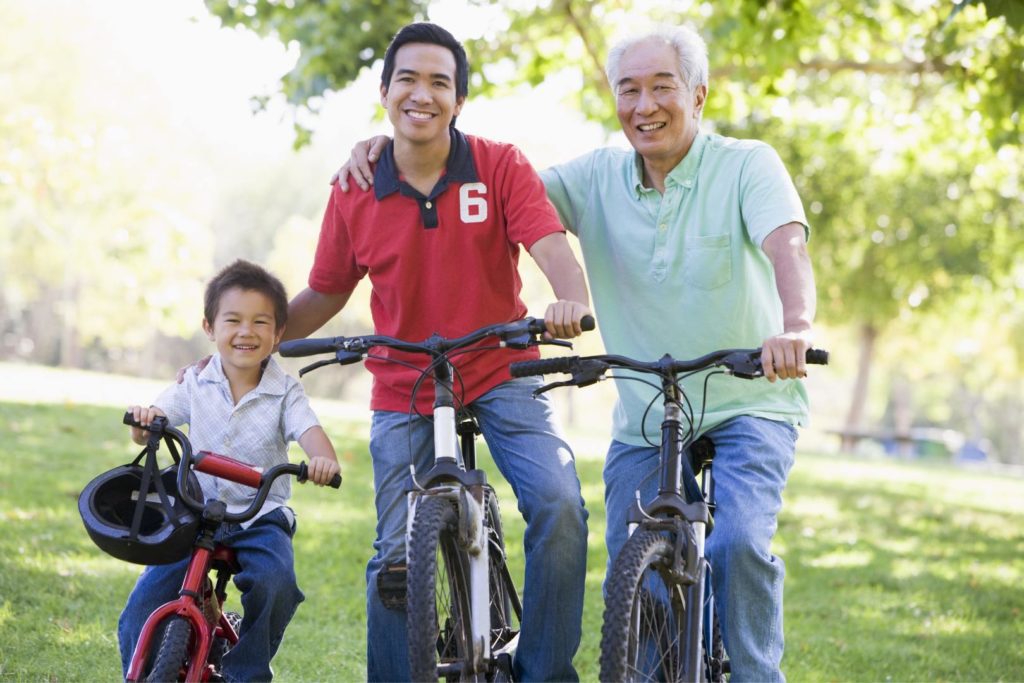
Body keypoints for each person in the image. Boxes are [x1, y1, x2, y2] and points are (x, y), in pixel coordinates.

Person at [337, 24, 816, 682]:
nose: (644, 104)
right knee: (634, 561)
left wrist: (796, 326)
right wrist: (395, 147)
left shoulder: (748, 164)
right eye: (629, 90)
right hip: (649, 403)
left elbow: (786, 245)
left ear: (699, 96)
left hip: (749, 395)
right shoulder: (594, 177)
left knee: (736, 543)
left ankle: (758, 675)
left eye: (662, 87)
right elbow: (479, 187)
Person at [286, 22, 592, 682]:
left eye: (439, 83)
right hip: (404, 383)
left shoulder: (498, 164)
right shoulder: (354, 186)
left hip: (501, 366)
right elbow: (326, 289)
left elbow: (549, 245)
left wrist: (570, 298)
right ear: (384, 91)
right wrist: (257, 334)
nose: (421, 93)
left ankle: (542, 669)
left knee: (560, 504)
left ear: (458, 100)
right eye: (408, 79)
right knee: (393, 550)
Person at [119, 259, 341, 682]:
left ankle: (248, 669)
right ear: (210, 327)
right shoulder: (195, 382)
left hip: (258, 516)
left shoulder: (285, 391)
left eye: (261, 322)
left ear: (278, 334)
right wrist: (147, 421)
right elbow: (154, 424)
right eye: (233, 320)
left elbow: (310, 431)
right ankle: (140, 672)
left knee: (276, 582)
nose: (246, 332)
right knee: (140, 609)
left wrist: (322, 460)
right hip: (194, 510)